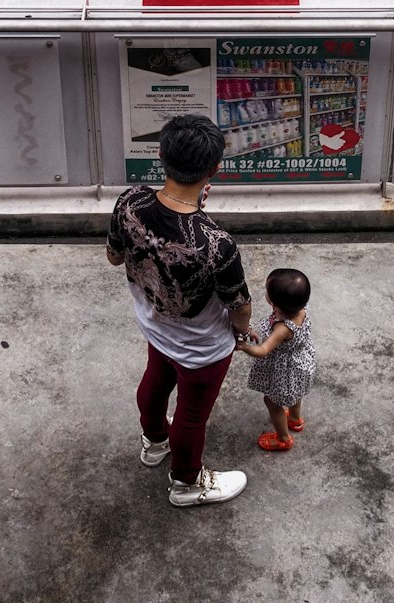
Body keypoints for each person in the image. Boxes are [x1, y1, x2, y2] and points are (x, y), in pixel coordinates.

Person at [107, 113, 253, 506]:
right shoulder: (217, 243)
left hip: (154, 325)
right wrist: (241, 332)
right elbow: (239, 306)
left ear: (160, 155)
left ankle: (154, 442)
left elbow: (114, 258)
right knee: (191, 415)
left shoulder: (129, 201)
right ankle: (187, 483)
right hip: (201, 346)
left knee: (156, 380)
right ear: (214, 169)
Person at [238, 267, 316, 452]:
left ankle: (283, 438)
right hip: (301, 363)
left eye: (266, 290)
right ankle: (295, 420)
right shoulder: (301, 310)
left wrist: (245, 347)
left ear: (274, 304)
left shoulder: (282, 328)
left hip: (284, 370)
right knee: (296, 394)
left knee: (272, 402)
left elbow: (264, 350)